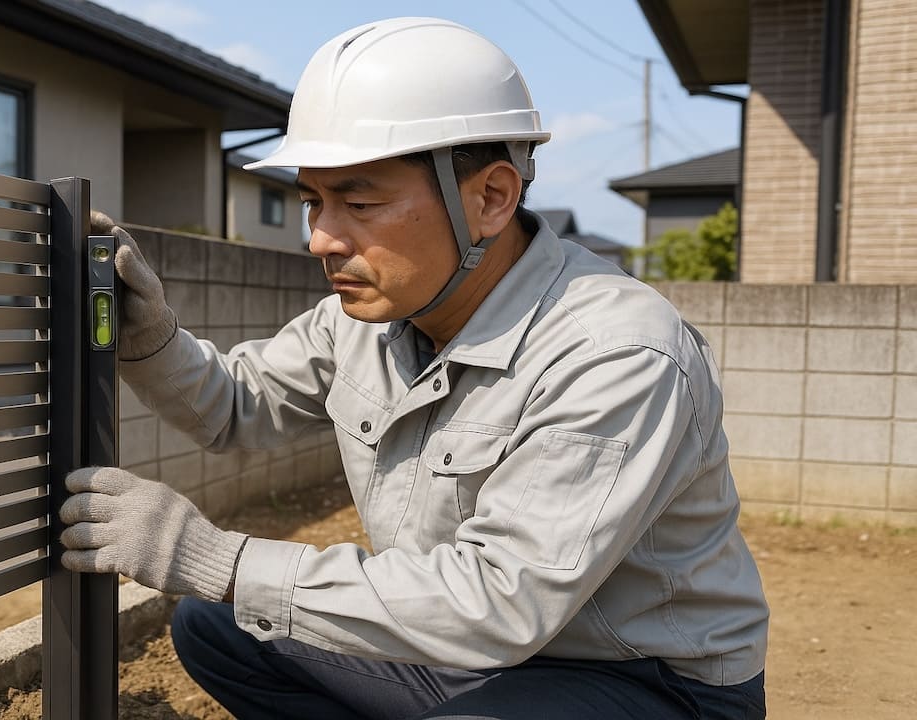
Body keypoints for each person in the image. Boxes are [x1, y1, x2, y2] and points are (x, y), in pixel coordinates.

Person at [59, 17, 768, 719]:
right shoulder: (369, 317)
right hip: (469, 654)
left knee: (242, 591)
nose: (321, 239)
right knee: (220, 628)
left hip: (648, 682)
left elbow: (501, 601)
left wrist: (220, 558)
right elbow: (234, 406)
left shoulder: (614, 352)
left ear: (490, 198)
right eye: (313, 201)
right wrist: (147, 334)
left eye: (359, 202)